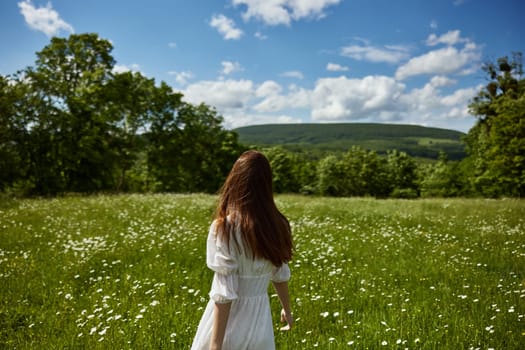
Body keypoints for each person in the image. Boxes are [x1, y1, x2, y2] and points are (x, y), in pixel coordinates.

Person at [191, 150, 294, 350]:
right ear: (267, 184)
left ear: (235, 182)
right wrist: (287, 310)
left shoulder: (224, 228)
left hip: (227, 327)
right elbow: (279, 274)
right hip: (260, 326)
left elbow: (225, 293)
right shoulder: (278, 225)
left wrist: (215, 345)